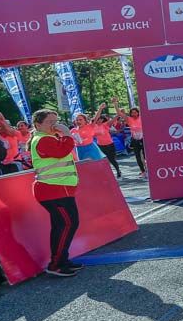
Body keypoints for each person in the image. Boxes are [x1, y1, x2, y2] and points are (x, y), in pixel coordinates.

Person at [30, 109, 83, 277]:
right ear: (38, 125)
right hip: (52, 190)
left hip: (59, 190)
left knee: (62, 225)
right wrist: (67, 134)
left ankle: (61, 260)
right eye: (50, 122)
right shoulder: (42, 139)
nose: (55, 125)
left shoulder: (50, 137)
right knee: (68, 224)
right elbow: (61, 152)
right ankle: (56, 264)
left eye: (56, 121)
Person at [114, 100, 146, 176]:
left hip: (143, 139)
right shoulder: (129, 119)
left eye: (135, 112)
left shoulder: (142, 117)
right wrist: (115, 104)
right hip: (135, 140)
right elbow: (119, 113)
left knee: (146, 156)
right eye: (132, 112)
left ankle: (148, 169)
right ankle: (143, 171)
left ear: (138, 112)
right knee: (138, 157)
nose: (134, 114)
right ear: (130, 113)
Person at [93, 113, 122, 178]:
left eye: (101, 119)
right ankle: (108, 173)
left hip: (110, 144)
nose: (99, 120)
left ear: (103, 120)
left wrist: (118, 114)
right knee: (104, 160)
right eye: (98, 119)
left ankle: (118, 170)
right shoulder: (93, 126)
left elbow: (113, 120)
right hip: (101, 145)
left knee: (112, 159)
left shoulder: (105, 125)